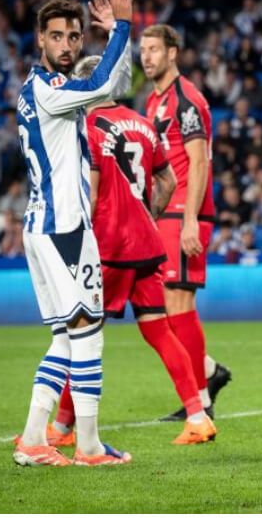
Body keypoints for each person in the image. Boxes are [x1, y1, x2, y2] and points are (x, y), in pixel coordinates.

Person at [46, 55, 216, 447]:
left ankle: (62, 427)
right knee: (158, 330)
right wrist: (146, 215)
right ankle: (197, 415)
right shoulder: (143, 123)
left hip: (107, 247)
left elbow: (88, 193)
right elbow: (169, 181)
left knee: (82, 334)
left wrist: (75, 243)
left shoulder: (85, 128)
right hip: (146, 244)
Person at [12, 0, 135, 467]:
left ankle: (33, 438)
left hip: (45, 224)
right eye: (57, 36)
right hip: (62, 226)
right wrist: (123, 26)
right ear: (40, 39)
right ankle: (84, 446)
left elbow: (113, 86)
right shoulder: (48, 88)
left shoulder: (40, 89)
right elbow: (102, 86)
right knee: (89, 329)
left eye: (73, 37)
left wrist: (111, 41)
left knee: (67, 336)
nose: (66, 45)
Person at [141, 24, 232, 422]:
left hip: (184, 213)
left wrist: (192, 219)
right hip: (165, 214)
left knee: (178, 303)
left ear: (173, 52)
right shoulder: (153, 100)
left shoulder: (187, 100)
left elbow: (199, 161)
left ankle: (201, 401)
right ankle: (208, 374)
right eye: (142, 50)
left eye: (154, 49)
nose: (146, 56)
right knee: (163, 308)